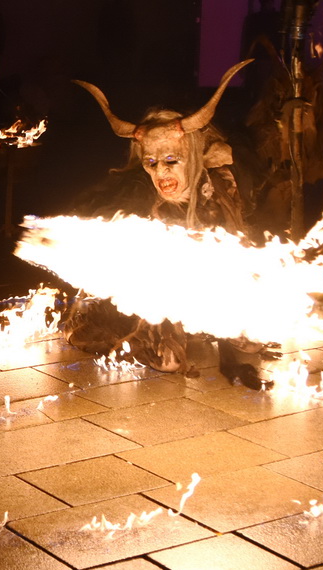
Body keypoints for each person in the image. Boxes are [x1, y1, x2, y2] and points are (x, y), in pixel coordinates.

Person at [63, 63, 252, 373]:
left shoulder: (220, 183)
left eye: (170, 160)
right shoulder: (136, 197)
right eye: (151, 162)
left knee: (254, 339)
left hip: (205, 289)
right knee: (169, 360)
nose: (161, 173)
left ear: (191, 154)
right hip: (151, 301)